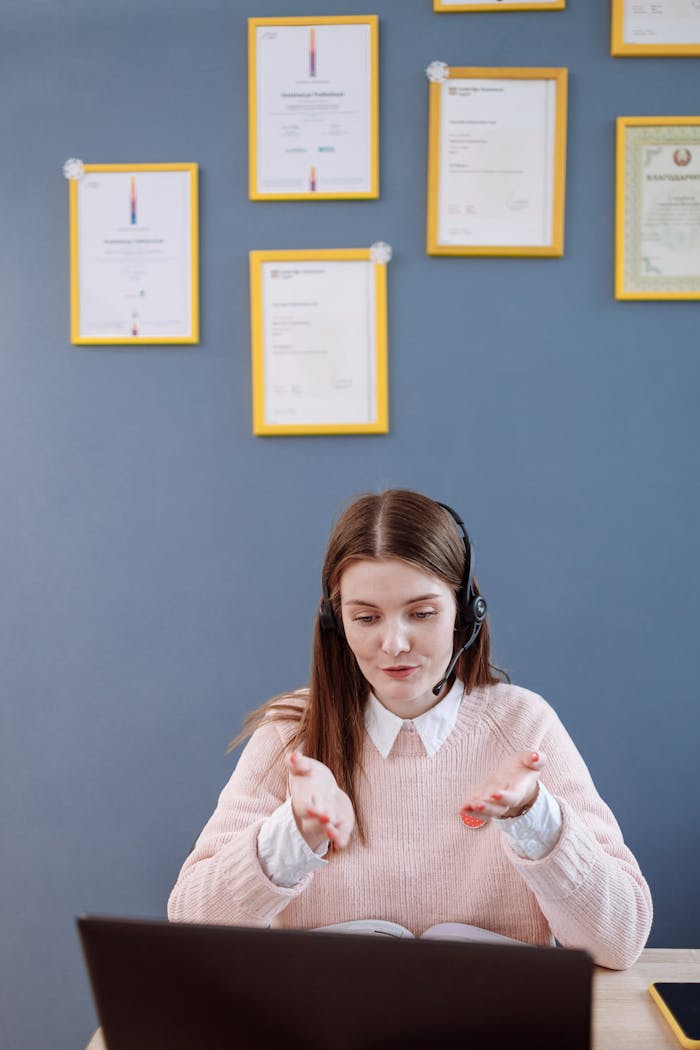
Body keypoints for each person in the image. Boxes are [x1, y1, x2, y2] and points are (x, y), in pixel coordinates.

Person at [168, 489, 652, 969]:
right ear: (336, 622)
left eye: (421, 613)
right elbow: (190, 928)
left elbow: (620, 941)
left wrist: (534, 818)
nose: (394, 643)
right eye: (365, 617)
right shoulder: (291, 733)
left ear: (465, 614)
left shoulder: (524, 724)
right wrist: (294, 832)